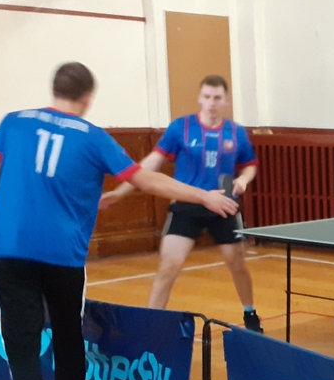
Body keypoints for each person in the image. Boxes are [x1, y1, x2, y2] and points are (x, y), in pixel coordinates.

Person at [0, 62, 239, 380]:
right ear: (88, 97)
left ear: (54, 89)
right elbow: (146, 180)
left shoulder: (13, 123)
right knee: (68, 334)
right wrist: (204, 196)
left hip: (10, 251)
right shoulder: (93, 137)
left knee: (21, 346)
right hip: (64, 255)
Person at [99, 75, 262, 333]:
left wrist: (242, 180)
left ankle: (250, 313)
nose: (211, 102)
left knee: (237, 264)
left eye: (217, 98)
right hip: (187, 204)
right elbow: (151, 164)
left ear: (226, 101)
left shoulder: (236, 132)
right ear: (200, 98)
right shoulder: (181, 128)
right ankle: (151, 323)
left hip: (224, 204)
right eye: (207, 97)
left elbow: (250, 165)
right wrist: (120, 192)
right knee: (169, 265)